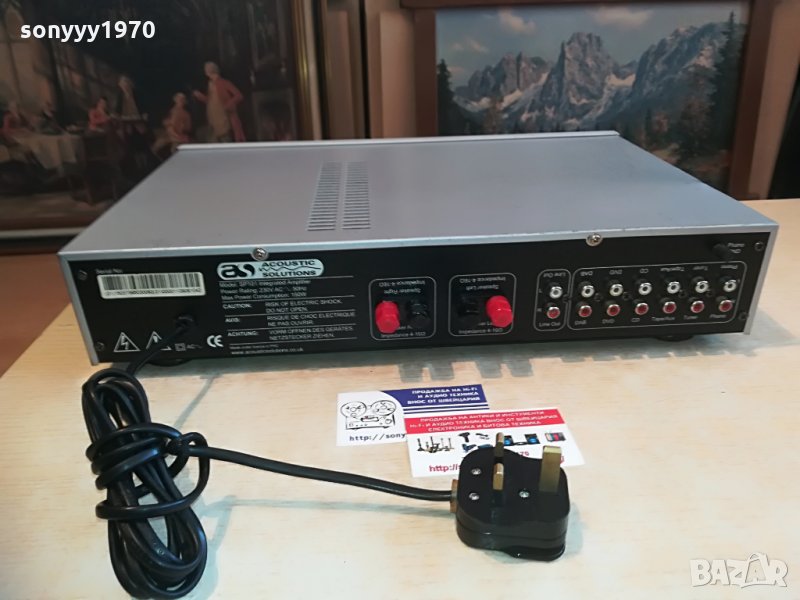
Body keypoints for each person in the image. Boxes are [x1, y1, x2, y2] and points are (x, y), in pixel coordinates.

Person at [192, 61, 245, 142]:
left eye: (207, 69)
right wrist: (200, 96)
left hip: (223, 117)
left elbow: (238, 95)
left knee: (225, 139)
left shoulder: (224, 82)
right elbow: (210, 101)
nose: (206, 71)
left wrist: (228, 104)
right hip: (213, 118)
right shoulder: (210, 84)